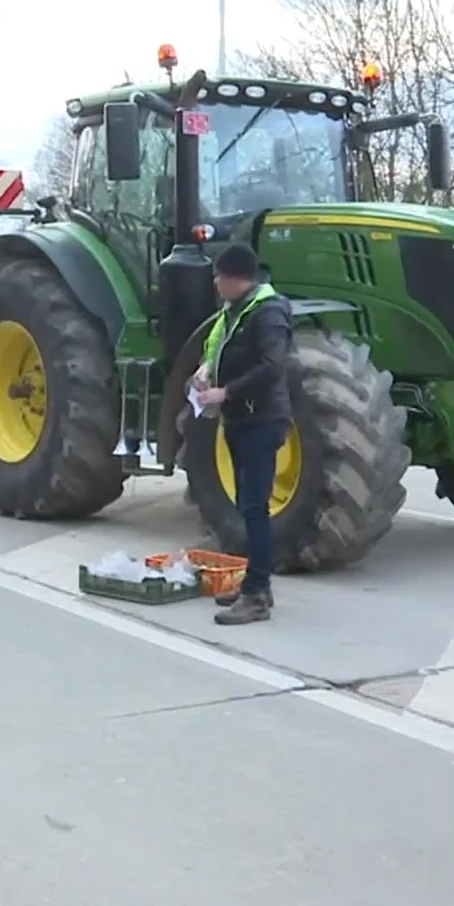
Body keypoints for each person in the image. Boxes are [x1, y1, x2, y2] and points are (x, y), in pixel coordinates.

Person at [192, 242, 291, 626]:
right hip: (239, 420)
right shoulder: (234, 312)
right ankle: (253, 584)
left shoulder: (267, 313)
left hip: (260, 420)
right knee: (247, 507)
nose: (215, 282)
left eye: (219, 276)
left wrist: (226, 392)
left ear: (237, 279)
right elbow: (217, 346)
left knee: (255, 508)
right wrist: (205, 369)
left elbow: (272, 366)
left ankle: (257, 595)